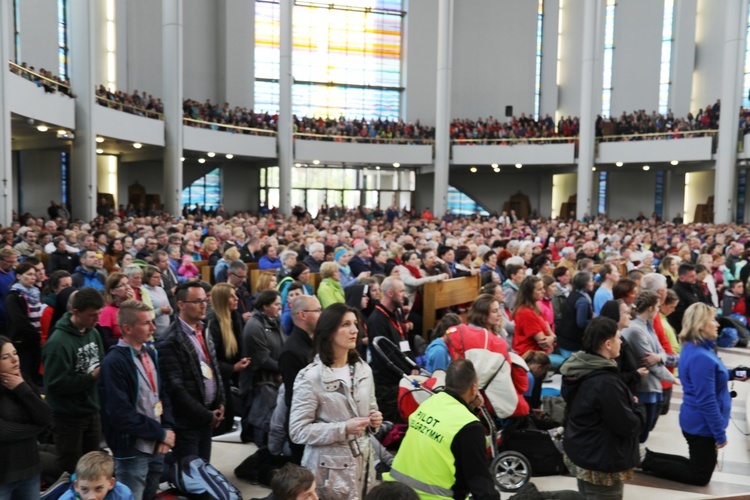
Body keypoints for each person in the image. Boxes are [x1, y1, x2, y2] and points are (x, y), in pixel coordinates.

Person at [289, 303, 383, 500]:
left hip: (363, 464)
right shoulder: (310, 377)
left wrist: (374, 420)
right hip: (328, 471)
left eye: (355, 324)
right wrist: (343, 428)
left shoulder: (363, 369)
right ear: (329, 333)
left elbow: (371, 407)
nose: (355, 330)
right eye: (346, 324)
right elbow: (297, 431)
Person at [640, 303, 738, 486]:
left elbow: (707, 375)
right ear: (701, 324)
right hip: (702, 423)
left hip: (696, 419)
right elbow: (706, 400)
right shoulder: (702, 355)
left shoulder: (695, 348)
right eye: (713, 320)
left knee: (698, 465)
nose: (717, 324)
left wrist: (731, 374)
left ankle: (647, 457)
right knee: (700, 476)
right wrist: (719, 434)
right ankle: (646, 460)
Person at [386, 359, 499, 500]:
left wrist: (470, 409)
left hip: (396, 492)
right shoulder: (469, 426)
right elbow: (481, 485)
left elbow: (451, 428)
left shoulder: (430, 402)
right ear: (474, 388)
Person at [560, 317, 646, 500]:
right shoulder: (606, 382)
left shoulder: (580, 367)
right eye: (618, 338)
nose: (621, 342)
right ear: (608, 344)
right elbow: (627, 425)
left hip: (585, 452)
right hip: (602, 460)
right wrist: (637, 407)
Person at [99, 301, 175, 500]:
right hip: (134, 448)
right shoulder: (114, 362)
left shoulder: (151, 353)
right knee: (131, 495)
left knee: (151, 493)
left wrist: (166, 428)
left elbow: (162, 394)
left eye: (152, 322)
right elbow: (119, 413)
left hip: (157, 442)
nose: (153, 327)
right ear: (127, 328)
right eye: (146, 323)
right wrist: (160, 433)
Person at [157, 281, 225, 462]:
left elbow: (214, 369)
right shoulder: (170, 340)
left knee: (204, 469)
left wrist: (220, 403)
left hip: (207, 417)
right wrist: (206, 415)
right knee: (191, 476)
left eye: (205, 300)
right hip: (187, 422)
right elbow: (176, 388)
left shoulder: (204, 330)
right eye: (197, 301)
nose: (204, 305)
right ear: (181, 305)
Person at [43, 287, 107, 474]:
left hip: (91, 409)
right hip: (68, 415)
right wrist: (90, 378)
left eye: (99, 314)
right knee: (70, 467)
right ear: (75, 312)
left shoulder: (92, 332)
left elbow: (100, 359)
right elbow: (54, 385)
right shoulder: (58, 343)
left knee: (92, 464)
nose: (97, 320)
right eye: (92, 315)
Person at [0, 336, 53, 499]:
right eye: (5, 357)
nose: (15, 359)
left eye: (15, 353)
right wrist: (36, 428)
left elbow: (46, 417)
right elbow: (4, 432)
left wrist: (21, 388)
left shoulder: (23, 382)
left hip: (30, 469)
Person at [621, 290, 674, 444]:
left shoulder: (648, 326)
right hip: (645, 386)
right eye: (657, 306)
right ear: (650, 308)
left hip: (652, 385)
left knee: (646, 430)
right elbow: (648, 361)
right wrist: (672, 379)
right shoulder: (636, 330)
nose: (659, 310)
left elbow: (660, 352)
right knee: (641, 433)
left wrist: (659, 357)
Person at [279, 295, 322, 464]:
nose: (322, 314)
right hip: (305, 425)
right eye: (317, 310)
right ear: (303, 315)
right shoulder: (292, 350)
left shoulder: (314, 342)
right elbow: (296, 397)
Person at [366, 277, 416, 423]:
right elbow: (385, 356)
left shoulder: (396, 313)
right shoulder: (377, 320)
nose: (404, 295)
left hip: (403, 377)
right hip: (389, 384)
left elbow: (403, 342)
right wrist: (406, 372)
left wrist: (413, 365)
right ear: (390, 293)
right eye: (401, 291)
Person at [241, 289, 284, 445]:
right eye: (276, 304)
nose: (280, 308)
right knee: (263, 424)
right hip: (260, 383)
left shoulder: (274, 321)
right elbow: (262, 358)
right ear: (265, 306)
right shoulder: (255, 326)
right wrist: (283, 370)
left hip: (274, 379)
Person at [207, 283, 251, 436]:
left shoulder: (235, 317)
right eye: (232, 296)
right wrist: (233, 368)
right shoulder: (213, 323)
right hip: (216, 378)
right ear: (222, 300)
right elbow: (210, 360)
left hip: (230, 375)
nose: (236, 298)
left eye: (235, 295)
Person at [5, 262, 44, 381]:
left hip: (37, 342)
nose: (33, 277)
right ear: (18, 276)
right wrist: (37, 336)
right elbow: (19, 321)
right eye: (29, 274)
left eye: (34, 274)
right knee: (27, 375)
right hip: (23, 342)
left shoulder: (36, 293)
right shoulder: (13, 297)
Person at [59, 451, 134, 500]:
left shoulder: (123, 494)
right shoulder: (67, 498)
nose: (92, 497)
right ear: (76, 486)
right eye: (85, 489)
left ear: (111, 483)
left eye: (98, 488)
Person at [512, 276, 556, 358]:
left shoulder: (537, 306)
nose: (543, 291)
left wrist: (553, 338)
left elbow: (547, 327)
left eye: (543, 288)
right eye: (539, 289)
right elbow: (544, 343)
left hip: (539, 357)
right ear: (529, 293)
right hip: (529, 359)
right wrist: (552, 338)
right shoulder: (526, 312)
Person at [556, 271, 594, 359]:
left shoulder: (574, 294)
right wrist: (595, 321)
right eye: (591, 281)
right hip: (572, 340)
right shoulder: (582, 300)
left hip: (565, 336)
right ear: (584, 283)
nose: (593, 283)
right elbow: (581, 323)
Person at [99, 273, 136, 350]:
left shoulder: (135, 305)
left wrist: (133, 304)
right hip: (119, 350)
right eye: (122, 285)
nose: (128, 287)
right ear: (112, 291)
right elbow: (105, 340)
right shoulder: (107, 311)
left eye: (128, 283)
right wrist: (126, 342)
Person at [142, 265, 172, 339]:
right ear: (147, 278)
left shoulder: (160, 289)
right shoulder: (143, 291)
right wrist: (160, 310)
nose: (159, 279)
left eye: (160, 277)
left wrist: (169, 310)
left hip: (167, 330)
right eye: (156, 277)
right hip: (155, 332)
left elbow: (170, 308)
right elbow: (146, 314)